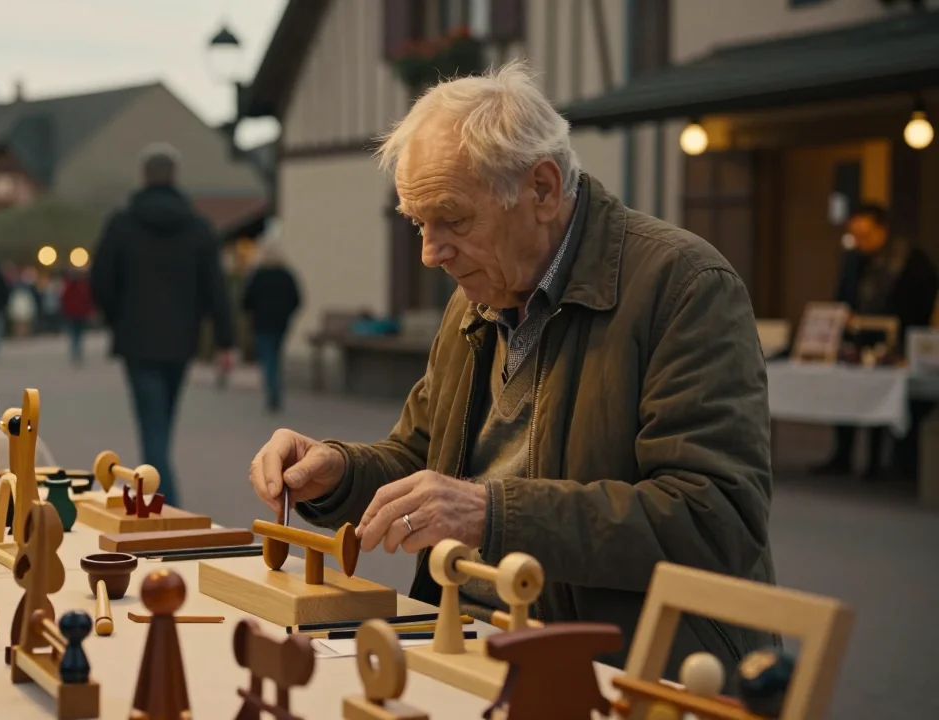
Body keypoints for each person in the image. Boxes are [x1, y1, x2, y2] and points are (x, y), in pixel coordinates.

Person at [247, 61, 776, 679]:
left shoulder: (684, 286)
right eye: (418, 223)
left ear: (544, 190)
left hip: (618, 661)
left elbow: (715, 520)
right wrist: (335, 472)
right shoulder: (474, 297)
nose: (429, 252)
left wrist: (494, 515)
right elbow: (423, 462)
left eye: (453, 219)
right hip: (462, 636)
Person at [91, 142, 234, 510]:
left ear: (143, 177)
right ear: (174, 177)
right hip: (181, 339)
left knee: (152, 425)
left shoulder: (122, 223)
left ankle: (162, 502)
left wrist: (116, 317)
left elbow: (100, 280)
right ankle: (160, 494)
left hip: (137, 340)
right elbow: (216, 287)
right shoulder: (198, 227)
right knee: (163, 422)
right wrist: (223, 341)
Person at [813, 203, 938, 480]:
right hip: (857, 339)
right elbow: (842, 295)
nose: (859, 241)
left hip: (897, 341)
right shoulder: (853, 258)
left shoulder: (910, 259)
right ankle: (842, 455)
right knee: (845, 393)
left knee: (882, 399)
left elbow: (921, 303)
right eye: (854, 235)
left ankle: (879, 463)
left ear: (882, 230)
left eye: (865, 234)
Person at [242, 227, 302, 412]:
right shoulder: (286, 275)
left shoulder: (258, 276)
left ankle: (273, 392)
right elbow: (297, 298)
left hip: (262, 322)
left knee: (267, 357)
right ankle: (275, 389)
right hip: (281, 323)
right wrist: (287, 313)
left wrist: (252, 311)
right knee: (275, 355)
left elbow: (246, 300)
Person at [60, 269, 95, 365]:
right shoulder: (81, 287)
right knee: (78, 335)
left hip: (75, 314)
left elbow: (63, 299)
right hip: (77, 314)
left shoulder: (73, 287)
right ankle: (77, 352)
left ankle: (75, 352)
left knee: (75, 335)